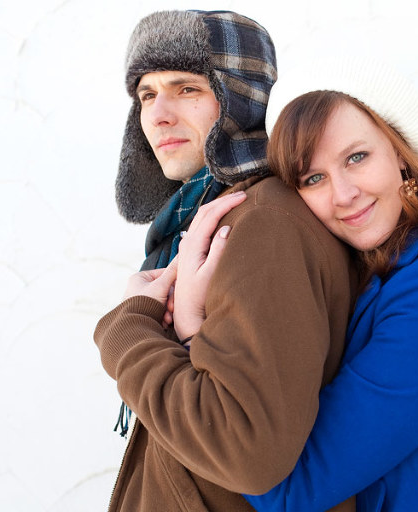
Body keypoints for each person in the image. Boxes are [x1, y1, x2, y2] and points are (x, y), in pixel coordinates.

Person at [173, 57, 418, 511]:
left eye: (356, 157)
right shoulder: (383, 272)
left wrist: (190, 331)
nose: (344, 194)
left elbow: (293, 489)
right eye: (314, 178)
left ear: (400, 152)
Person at [93, 10, 357, 512]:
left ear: (241, 100)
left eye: (187, 89)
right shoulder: (203, 221)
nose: (158, 114)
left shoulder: (262, 222)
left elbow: (247, 451)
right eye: (146, 95)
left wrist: (128, 330)